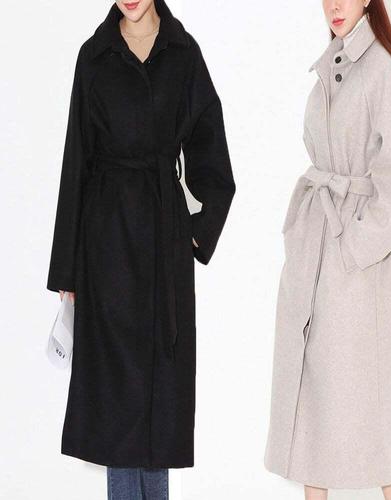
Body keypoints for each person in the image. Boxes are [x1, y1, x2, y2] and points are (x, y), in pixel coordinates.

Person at [46, 1, 235, 498]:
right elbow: (75, 159)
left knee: (161, 402)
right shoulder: (94, 55)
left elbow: (211, 151)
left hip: (162, 242)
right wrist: (67, 271)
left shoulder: (183, 53)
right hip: (104, 244)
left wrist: (197, 230)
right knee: (117, 403)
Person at [264, 1, 391, 499]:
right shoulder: (330, 65)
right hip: (315, 247)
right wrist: (306, 237)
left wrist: (355, 247)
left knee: (367, 411)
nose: (334, 5)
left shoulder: (382, 71)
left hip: (352, 263)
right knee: (314, 400)